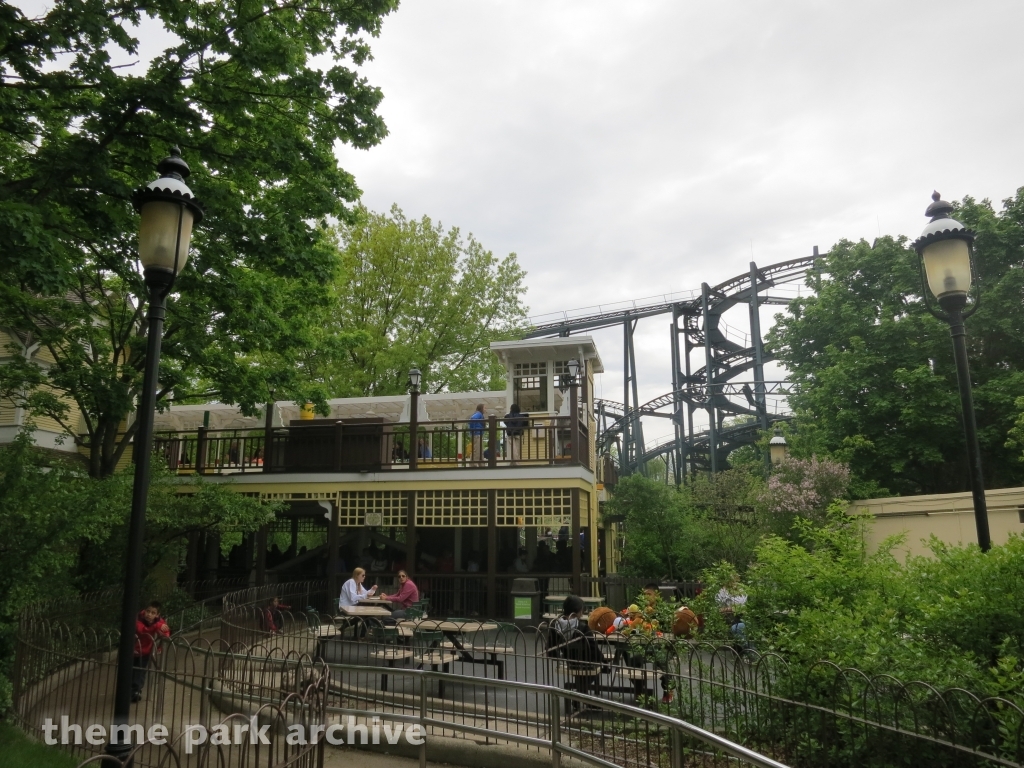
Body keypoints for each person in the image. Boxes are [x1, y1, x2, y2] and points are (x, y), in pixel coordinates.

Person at [133, 601, 171, 702]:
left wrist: (160, 645)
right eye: (148, 611)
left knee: (140, 671)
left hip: (145, 651)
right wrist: (156, 626)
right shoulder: (138, 619)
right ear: (144, 611)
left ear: (157, 615)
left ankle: (136, 691)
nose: (149, 614)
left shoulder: (159, 622)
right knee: (130, 671)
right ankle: (128, 689)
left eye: (153, 613)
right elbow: (142, 630)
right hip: (133, 649)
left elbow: (165, 632)